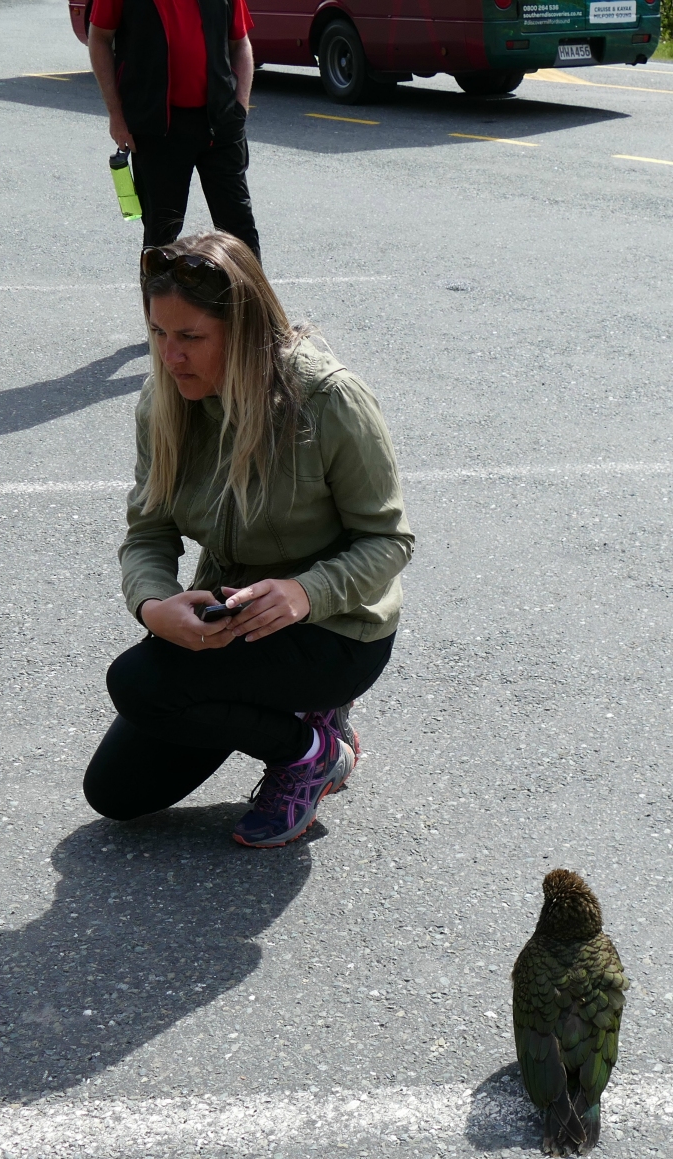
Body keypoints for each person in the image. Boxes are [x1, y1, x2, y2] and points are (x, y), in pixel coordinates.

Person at [83, 231, 414, 847]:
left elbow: (389, 541)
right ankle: (295, 718)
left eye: (190, 338)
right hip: (234, 619)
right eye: (158, 334)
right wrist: (154, 606)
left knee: (138, 683)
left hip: (335, 630)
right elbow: (148, 531)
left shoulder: (328, 398)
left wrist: (305, 592)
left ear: (243, 331)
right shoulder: (165, 401)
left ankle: (310, 749)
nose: (169, 357)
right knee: (116, 794)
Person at [86, 0, 262, 259]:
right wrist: (116, 115)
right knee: (161, 237)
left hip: (220, 123)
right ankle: (158, 300)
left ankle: (250, 300)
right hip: (157, 127)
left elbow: (240, 43)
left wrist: (240, 106)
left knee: (239, 232)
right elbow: (99, 39)